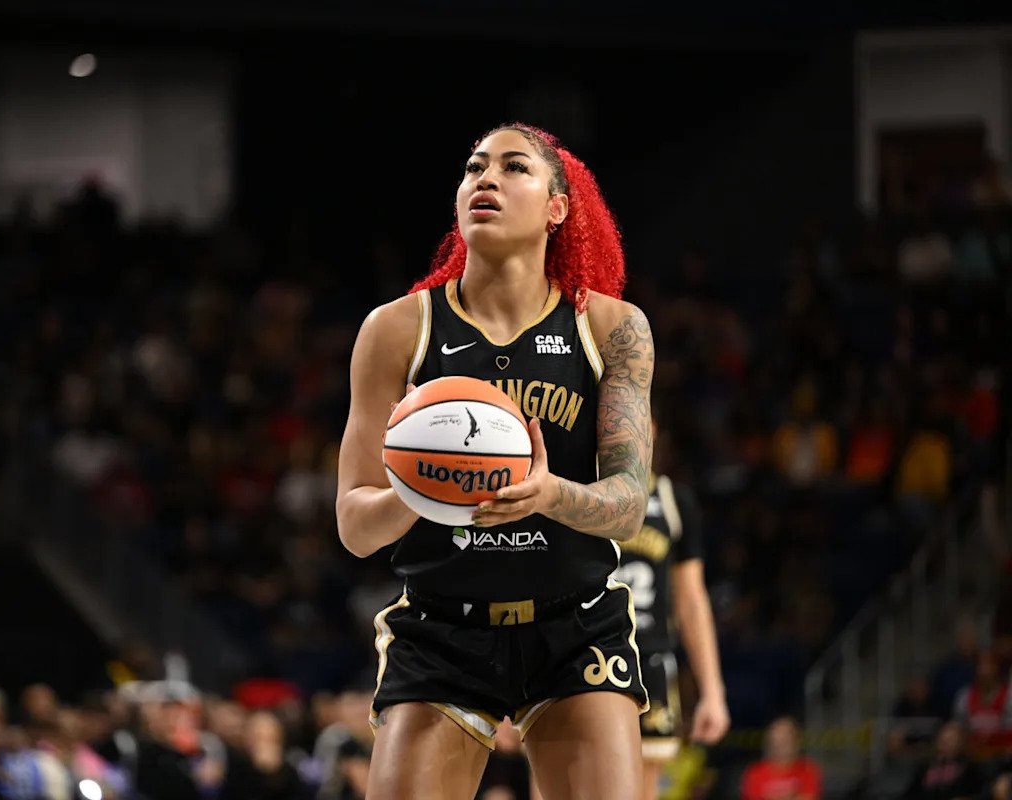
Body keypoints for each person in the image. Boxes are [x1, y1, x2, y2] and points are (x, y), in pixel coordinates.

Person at [337, 123, 654, 799]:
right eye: (474, 167)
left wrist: (546, 493)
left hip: (574, 625)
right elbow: (355, 526)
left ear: (557, 207)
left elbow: (629, 508)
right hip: (441, 629)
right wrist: (420, 490)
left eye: (514, 168)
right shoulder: (396, 329)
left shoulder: (611, 327)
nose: (486, 179)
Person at [615, 417, 730, 800]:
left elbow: (692, 601)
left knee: (644, 789)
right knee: (559, 779)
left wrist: (712, 691)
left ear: (654, 430)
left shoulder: (671, 500)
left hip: (649, 659)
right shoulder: (575, 491)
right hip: (581, 653)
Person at [739, 716, 822, 800]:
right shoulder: (754, 774)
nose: (780, 745)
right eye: (777, 740)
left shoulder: (807, 770)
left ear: (796, 741)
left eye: (786, 739)